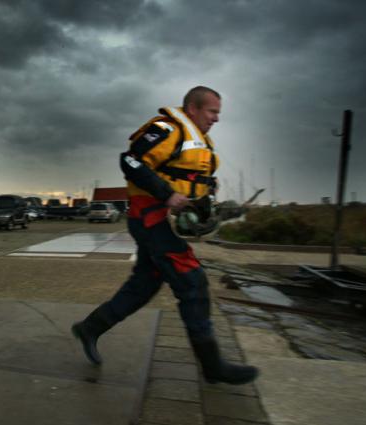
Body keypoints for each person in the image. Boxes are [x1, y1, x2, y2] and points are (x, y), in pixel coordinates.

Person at [71, 86, 258, 385]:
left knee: (144, 285)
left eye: (218, 113)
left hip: (165, 221)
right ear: (193, 109)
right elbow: (129, 161)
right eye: (212, 112)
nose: (216, 119)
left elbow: (188, 176)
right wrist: (166, 194)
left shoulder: (199, 140)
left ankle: (90, 328)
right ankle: (213, 367)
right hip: (151, 217)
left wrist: (207, 198)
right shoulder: (166, 129)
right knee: (192, 281)